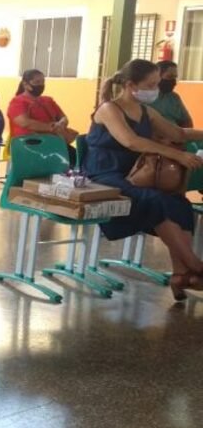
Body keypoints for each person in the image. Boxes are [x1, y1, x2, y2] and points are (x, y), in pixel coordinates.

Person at [86, 59, 203, 301]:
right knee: (155, 200)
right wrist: (177, 155)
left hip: (136, 174)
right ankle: (195, 265)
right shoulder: (109, 109)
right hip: (105, 174)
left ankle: (180, 274)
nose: (155, 90)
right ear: (130, 85)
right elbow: (131, 141)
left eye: (157, 84)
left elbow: (178, 133)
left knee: (180, 203)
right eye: (150, 85)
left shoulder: (146, 111)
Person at [7, 69, 78, 166]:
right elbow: (25, 122)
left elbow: (63, 117)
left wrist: (61, 123)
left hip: (53, 143)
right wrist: (51, 127)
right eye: (37, 82)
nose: (41, 85)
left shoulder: (48, 100)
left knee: (78, 159)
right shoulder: (18, 102)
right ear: (25, 84)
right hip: (30, 146)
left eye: (42, 82)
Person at [150, 60, 194, 128]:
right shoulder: (145, 97)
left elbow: (187, 121)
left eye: (175, 77)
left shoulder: (174, 97)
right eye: (169, 77)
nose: (174, 82)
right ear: (157, 77)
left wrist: (181, 133)